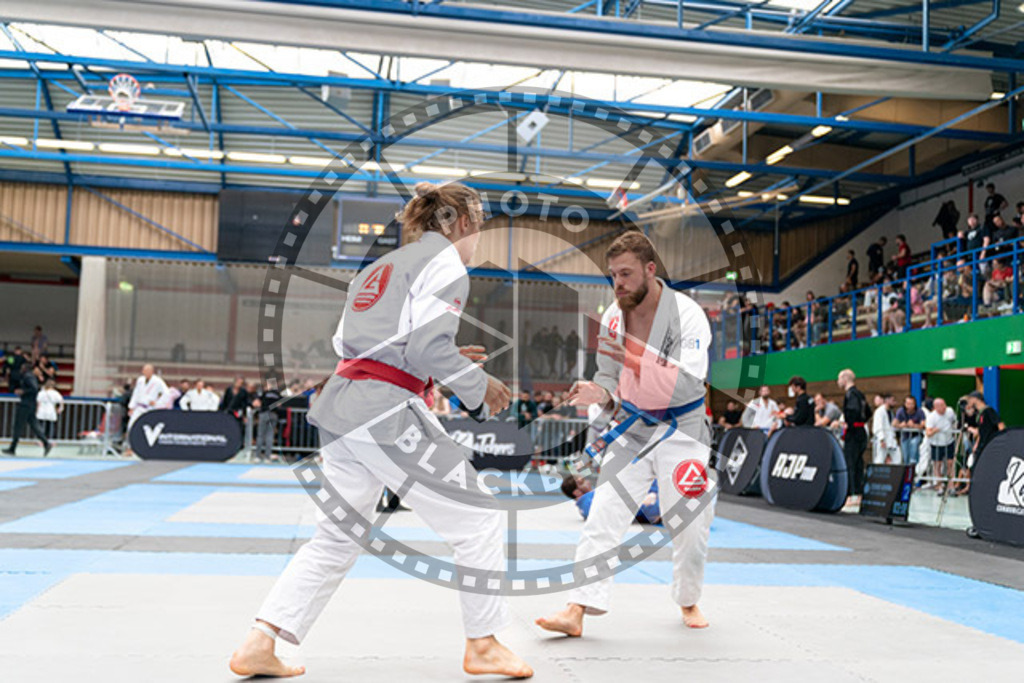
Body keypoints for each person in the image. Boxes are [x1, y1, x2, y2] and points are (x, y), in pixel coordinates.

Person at [229, 181, 530, 679]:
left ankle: (261, 640)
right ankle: (484, 643)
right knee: (477, 517)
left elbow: (361, 344)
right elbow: (428, 348)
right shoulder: (447, 264)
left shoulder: (378, 268)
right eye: (479, 223)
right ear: (459, 223)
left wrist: (442, 366)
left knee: (335, 537)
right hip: (383, 411)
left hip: (342, 405)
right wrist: (479, 387)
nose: (480, 235)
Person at [536, 230, 714, 637]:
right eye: (613, 275)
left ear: (650, 271)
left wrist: (635, 355)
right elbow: (608, 377)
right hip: (632, 427)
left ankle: (688, 599)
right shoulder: (614, 316)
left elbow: (687, 386)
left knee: (688, 523)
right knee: (603, 515)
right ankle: (577, 608)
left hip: (682, 429)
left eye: (626, 274)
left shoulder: (686, 315)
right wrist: (596, 392)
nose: (618, 284)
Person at [561, 474, 661, 524]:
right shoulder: (587, 503)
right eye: (582, 482)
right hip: (643, 504)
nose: (587, 481)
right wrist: (642, 502)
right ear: (577, 492)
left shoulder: (586, 502)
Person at [3, 367, 51, 456]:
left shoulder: (28, 376)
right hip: (31, 404)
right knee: (34, 425)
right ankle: (46, 443)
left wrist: (23, 391)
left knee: (18, 426)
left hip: (25, 405)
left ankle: (13, 448)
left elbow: (34, 389)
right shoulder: (31, 377)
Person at [838, 369, 869, 507]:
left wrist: (847, 423)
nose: (838, 382)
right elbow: (868, 411)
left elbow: (853, 411)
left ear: (845, 379)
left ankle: (850, 496)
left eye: (839, 379)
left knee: (850, 463)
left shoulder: (851, 394)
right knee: (858, 464)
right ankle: (860, 494)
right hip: (861, 430)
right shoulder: (860, 394)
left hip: (854, 432)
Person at [965, 391, 1003, 475]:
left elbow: (1000, 424)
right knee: (975, 466)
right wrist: (976, 444)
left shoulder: (988, 411)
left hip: (989, 444)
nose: (968, 402)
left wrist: (1003, 438)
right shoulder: (979, 414)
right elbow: (981, 430)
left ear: (975, 399)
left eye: (970, 399)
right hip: (982, 445)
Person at [924, 398, 956, 493]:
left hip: (949, 442)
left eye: (944, 404)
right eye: (941, 406)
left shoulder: (950, 411)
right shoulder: (931, 417)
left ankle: (951, 485)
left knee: (950, 464)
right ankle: (939, 485)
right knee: (937, 465)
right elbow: (928, 433)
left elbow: (954, 421)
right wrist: (935, 430)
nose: (944, 407)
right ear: (936, 408)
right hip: (937, 444)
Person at [127, 364, 169, 429]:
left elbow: (166, 393)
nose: (145, 372)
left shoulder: (157, 381)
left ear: (152, 371)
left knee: (148, 427)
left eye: (147, 370)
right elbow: (136, 393)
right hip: (139, 407)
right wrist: (131, 407)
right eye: (144, 370)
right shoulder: (140, 380)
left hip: (150, 408)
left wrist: (158, 403)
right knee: (131, 425)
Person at [892, 395, 926, 466]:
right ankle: (907, 471)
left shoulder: (919, 411)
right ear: (904, 404)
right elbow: (894, 423)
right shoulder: (901, 411)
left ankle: (914, 468)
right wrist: (900, 425)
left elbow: (923, 425)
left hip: (916, 435)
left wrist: (914, 426)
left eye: (912, 404)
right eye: (908, 404)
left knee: (914, 446)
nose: (910, 406)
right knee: (905, 456)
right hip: (905, 436)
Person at [871, 394, 898, 464]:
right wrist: (881, 439)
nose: (894, 403)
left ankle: (896, 474)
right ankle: (876, 474)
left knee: (897, 458)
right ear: (887, 401)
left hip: (891, 439)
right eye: (893, 400)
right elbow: (878, 426)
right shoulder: (879, 411)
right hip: (883, 440)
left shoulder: (891, 412)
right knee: (879, 459)